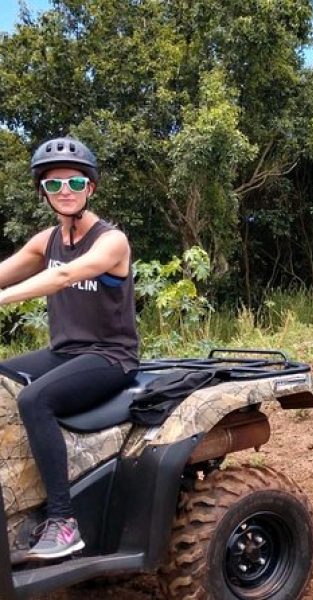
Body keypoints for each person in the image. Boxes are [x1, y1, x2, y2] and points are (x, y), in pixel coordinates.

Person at [0, 137, 139, 560]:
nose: (65, 191)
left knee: (35, 399)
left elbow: (64, 277)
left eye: (75, 182)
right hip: (65, 351)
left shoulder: (111, 241)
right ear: (43, 191)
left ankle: (63, 521)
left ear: (90, 188)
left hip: (109, 357)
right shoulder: (46, 241)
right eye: (54, 184)